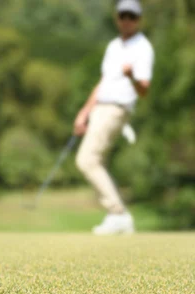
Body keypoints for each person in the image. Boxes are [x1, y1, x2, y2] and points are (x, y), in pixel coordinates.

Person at [74, 0, 154, 235]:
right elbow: (103, 82)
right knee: (94, 161)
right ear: (117, 18)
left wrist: (131, 77)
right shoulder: (113, 46)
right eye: (123, 16)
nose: (127, 20)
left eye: (132, 16)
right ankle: (117, 214)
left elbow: (144, 90)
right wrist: (84, 112)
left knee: (87, 160)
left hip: (117, 107)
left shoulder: (143, 48)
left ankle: (118, 213)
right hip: (101, 107)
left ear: (138, 20)